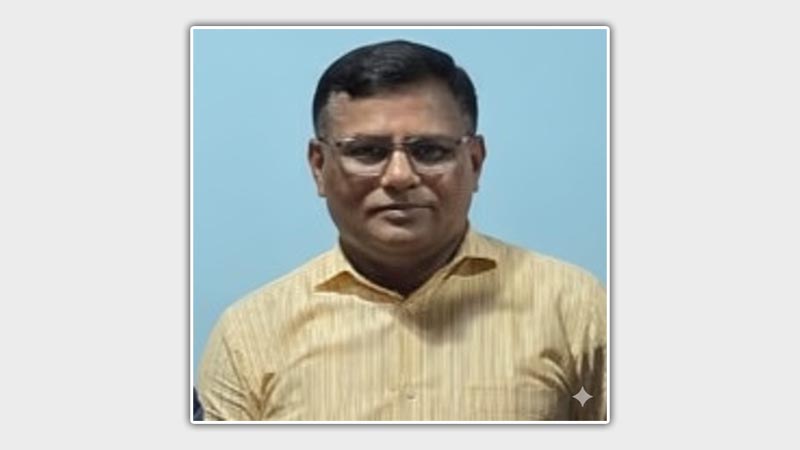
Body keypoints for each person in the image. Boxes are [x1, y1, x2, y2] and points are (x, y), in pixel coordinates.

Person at [198, 39, 607, 421]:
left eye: (429, 151)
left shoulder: (573, 308)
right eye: (366, 152)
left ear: (475, 162)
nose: (398, 176)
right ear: (319, 167)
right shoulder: (249, 335)